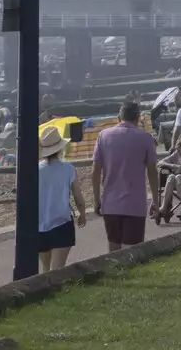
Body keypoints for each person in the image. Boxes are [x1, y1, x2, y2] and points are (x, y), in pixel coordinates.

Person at [94, 101, 160, 252]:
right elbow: (152, 172)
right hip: (134, 204)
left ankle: (116, 275)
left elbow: (95, 171)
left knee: (113, 248)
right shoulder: (145, 138)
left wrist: (96, 199)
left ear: (119, 117)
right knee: (132, 252)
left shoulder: (103, 136)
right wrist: (156, 201)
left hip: (110, 204)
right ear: (137, 118)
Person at [36, 125, 87, 272]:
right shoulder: (68, 168)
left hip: (40, 224)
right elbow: (78, 196)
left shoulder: (36, 170)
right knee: (58, 269)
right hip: (62, 222)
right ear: (59, 148)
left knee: (45, 269)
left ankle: (47, 293)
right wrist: (82, 214)